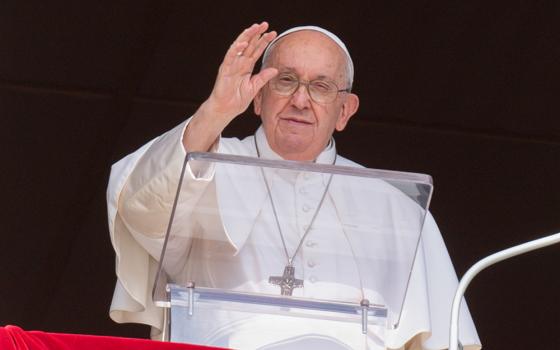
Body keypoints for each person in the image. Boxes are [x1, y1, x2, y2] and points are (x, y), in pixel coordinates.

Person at [107, 22, 482, 349]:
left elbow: (442, 340)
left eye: (321, 87)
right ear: (258, 97)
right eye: (285, 81)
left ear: (345, 111)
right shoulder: (206, 165)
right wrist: (215, 112)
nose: (300, 101)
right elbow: (140, 207)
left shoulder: (394, 208)